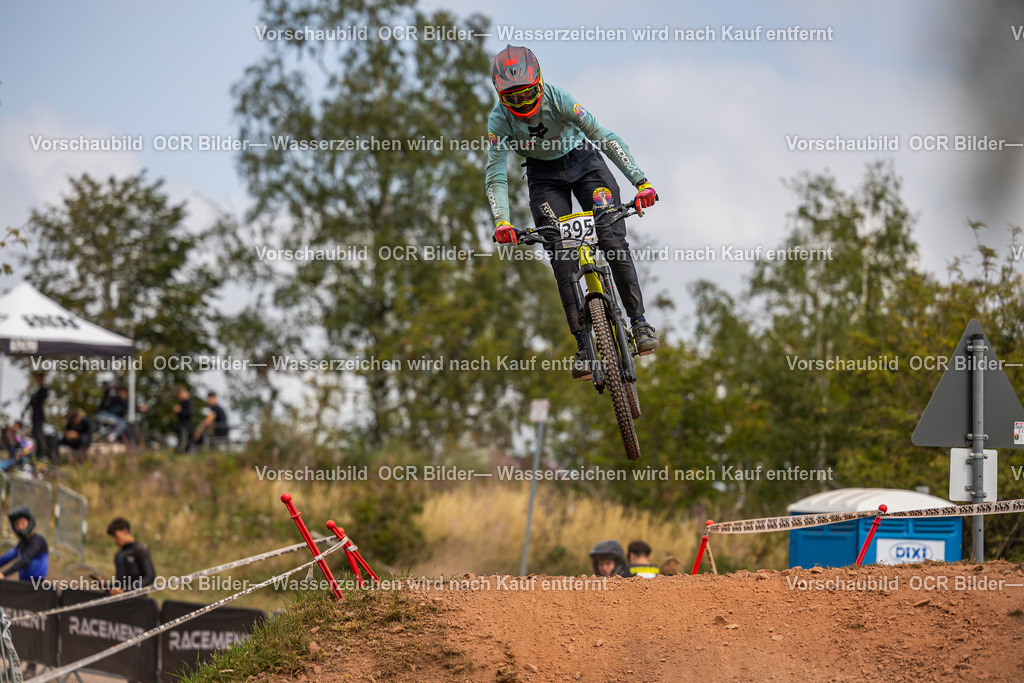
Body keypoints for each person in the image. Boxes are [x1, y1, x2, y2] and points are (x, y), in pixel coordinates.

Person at [486, 45, 660, 379]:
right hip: (543, 177)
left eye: (526, 96)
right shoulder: (498, 121)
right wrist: (502, 221)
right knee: (562, 257)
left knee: (611, 240)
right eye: (513, 100)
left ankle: (639, 323)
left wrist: (642, 182)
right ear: (500, 98)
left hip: (584, 163)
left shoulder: (560, 100)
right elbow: (495, 173)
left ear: (539, 84)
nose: (522, 106)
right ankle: (583, 345)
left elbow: (604, 136)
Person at [107, 517, 156, 595]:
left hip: (138, 601)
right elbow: (121, 583)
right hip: (121, 600)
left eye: (115, 536)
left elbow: (150, 576)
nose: (114, 540)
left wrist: (127, 591)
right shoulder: (119, 555)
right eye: (112, 537)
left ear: (125, 531)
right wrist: (108, 586)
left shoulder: (140, 550)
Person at [0, 507, 48, 581]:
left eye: (22, 523)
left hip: (37, 586)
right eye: (16, 524)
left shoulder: (39, 541)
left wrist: (4, 574)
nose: (20, 527)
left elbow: (25, 560)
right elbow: (4, 559)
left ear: (30, 522)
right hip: (23, 584)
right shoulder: (21, 545)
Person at [25, 372, 49, 460]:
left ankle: (43, 453)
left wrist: (34, 399)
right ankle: (38, 453)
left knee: (39, 433)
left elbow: (39, 402)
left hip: (39, 415)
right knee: (35, 433)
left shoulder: (44, 390)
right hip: (35, 415)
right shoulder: (38, 391)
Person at [172, 385, 194, 454]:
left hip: (186, 426)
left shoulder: (189, 402)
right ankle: (181, 453)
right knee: (182, 440)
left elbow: (190, 413)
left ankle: (182, 453)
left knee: (184, 442)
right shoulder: (183, 402)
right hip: (182, 425)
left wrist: (180, 410)